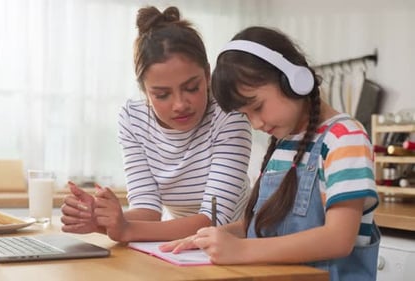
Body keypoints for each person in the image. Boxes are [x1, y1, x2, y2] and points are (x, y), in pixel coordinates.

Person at [159, 26, 380, 281]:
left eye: (258, 107)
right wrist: (212, 238)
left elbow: (338, 239)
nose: (256, 124)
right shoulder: (284, 144)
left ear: (292, 80)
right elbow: (260, 228)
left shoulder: (344, 138)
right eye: (246, 115)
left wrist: (241, 249)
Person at [60, 6, 252, 242]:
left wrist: (126, 229)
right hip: (182, 243)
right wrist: (102, 220)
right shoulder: (134, 119)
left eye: (192, 88)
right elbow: (148, 210)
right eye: (162, 95)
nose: (180, 104)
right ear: (144, 91)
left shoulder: (229, 114)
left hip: (239, 242)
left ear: (207, 74)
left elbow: (213, 219)